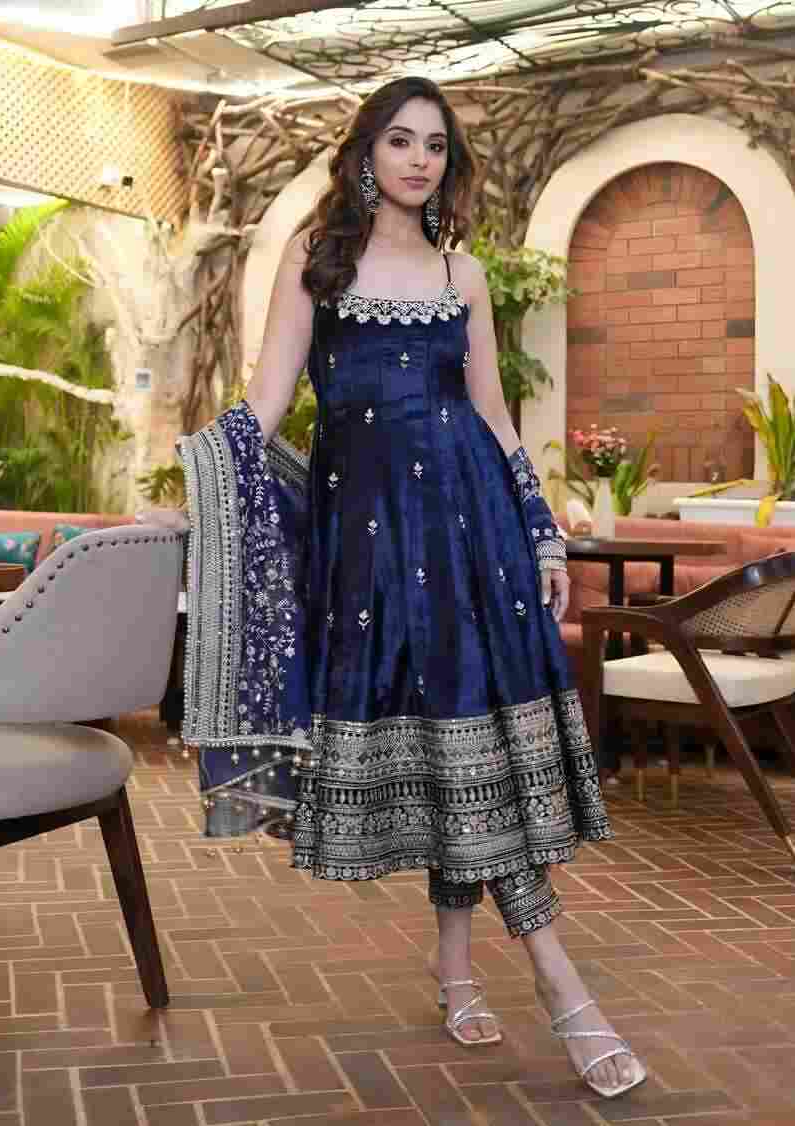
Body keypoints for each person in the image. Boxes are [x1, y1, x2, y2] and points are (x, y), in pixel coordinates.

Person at [174, 76, 646, 1098]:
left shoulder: (462, 272)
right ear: (365, 152)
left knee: (476, 748)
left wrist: (543, 533)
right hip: (372, 551)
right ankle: (547, 984)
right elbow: (265, 405)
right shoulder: (318, 262)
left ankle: (482, 974)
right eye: (400, 139)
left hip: (476, 536)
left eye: (435, 144)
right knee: (447, 743)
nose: (420, 159)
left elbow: (496, 415)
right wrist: (193, 484)